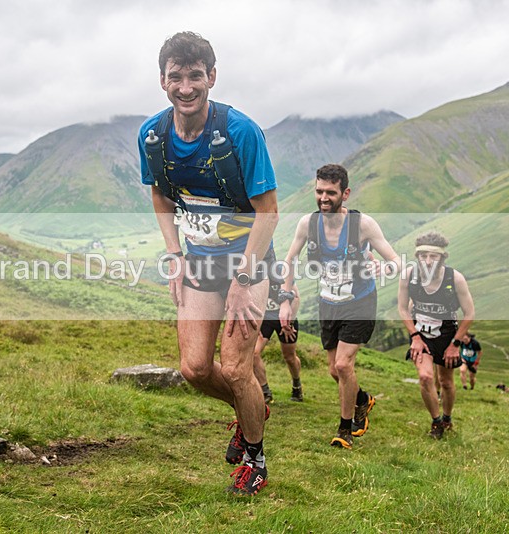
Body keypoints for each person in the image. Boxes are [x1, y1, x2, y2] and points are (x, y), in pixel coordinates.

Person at [138, 32, 278, 496]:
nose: (185, 86)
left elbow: (269, 212)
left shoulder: (241, 132)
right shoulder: (153, 136)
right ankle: (249, 407)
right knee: (194, 369)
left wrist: (243, 279)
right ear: (162, 81)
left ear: (211, 77)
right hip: (199, 261)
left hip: (248, 260)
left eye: (195, 75)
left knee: (237, 368)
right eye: (175, 76)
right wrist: (175, 255)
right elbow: (159, 193)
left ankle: (255, 456)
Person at [279, 163, 400, 450]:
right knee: (335, 371)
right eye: (319, 191)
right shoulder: (308, 224)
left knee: (344, 365)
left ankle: (344, 430)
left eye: (330, 193)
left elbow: (395, 260)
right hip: (328, 303)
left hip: (359, 302)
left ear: (345, 194)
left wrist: (385, 269)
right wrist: (285, 299)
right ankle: (362, 400)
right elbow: (290, 260)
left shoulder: (363, 225)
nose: (323, 198)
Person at [397, 231, 475, 439]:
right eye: (423, 256)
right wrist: (414, 336)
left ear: (442, 257)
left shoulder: (455, 279)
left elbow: (469, 314)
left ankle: (448, 418)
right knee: (425, 376)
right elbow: (403, 309)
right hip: (421, 334)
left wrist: (455, 344)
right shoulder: (409, 276)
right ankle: (436, 422)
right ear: (417, 257)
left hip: (448, 335)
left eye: (433, 256)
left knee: (447, 382)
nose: (428, 261)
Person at [253, 276, 303, 403]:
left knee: (289, 357)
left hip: (285, 319)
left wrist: (289, 323)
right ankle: (265, 391)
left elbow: (296, 299)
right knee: (254, 353)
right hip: (265, 320)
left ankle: (297, 385)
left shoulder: (282, 272)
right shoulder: (256, 271)